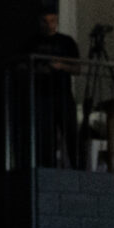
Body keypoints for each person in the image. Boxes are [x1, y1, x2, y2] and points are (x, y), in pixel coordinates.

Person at [30, 9, 81, 167]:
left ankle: (77, 167)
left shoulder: (66, 42)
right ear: (40, 22)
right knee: (46, 136)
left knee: (70, 132)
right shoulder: (34, 42)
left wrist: (61, 66)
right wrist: (39, 70)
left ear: (57, 21)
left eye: (52, 21)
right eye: (45, 21)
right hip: (43, 96)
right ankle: (48, 168)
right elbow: (23, 66)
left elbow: (77, 69)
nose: (49, 25)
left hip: (63, 95)